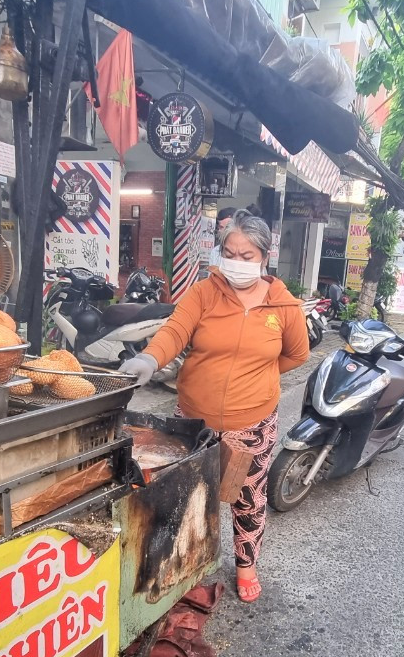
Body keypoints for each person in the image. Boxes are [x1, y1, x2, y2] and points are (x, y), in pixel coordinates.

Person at [118, 210, 309, 603]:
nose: (236, 263)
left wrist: (259, 378)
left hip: (251, 424)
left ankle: (246, 565)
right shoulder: (204, 293)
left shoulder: (283, 305)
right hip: (193, 419)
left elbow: (297, 354)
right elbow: (175, 331)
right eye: (230, 253)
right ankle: (179, 563)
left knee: (246, 498)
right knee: (184, 494)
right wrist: (150, 360)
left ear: (263, 257)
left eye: (247, 255)